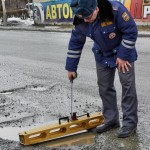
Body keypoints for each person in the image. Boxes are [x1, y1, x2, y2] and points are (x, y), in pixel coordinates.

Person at [65, 0, 138, 138]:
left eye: (88, 17)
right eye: (83, 17)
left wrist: (122, 56)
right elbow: (75, 43)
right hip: (102, 55)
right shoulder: (81, 19)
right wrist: (71, 68)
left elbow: (131, 31)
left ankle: (130, 123)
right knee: (104, 87)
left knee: (127, 86)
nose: (86, 20)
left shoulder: (115, 10)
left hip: (123, 51)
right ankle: (111, 120)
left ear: (96, 9)